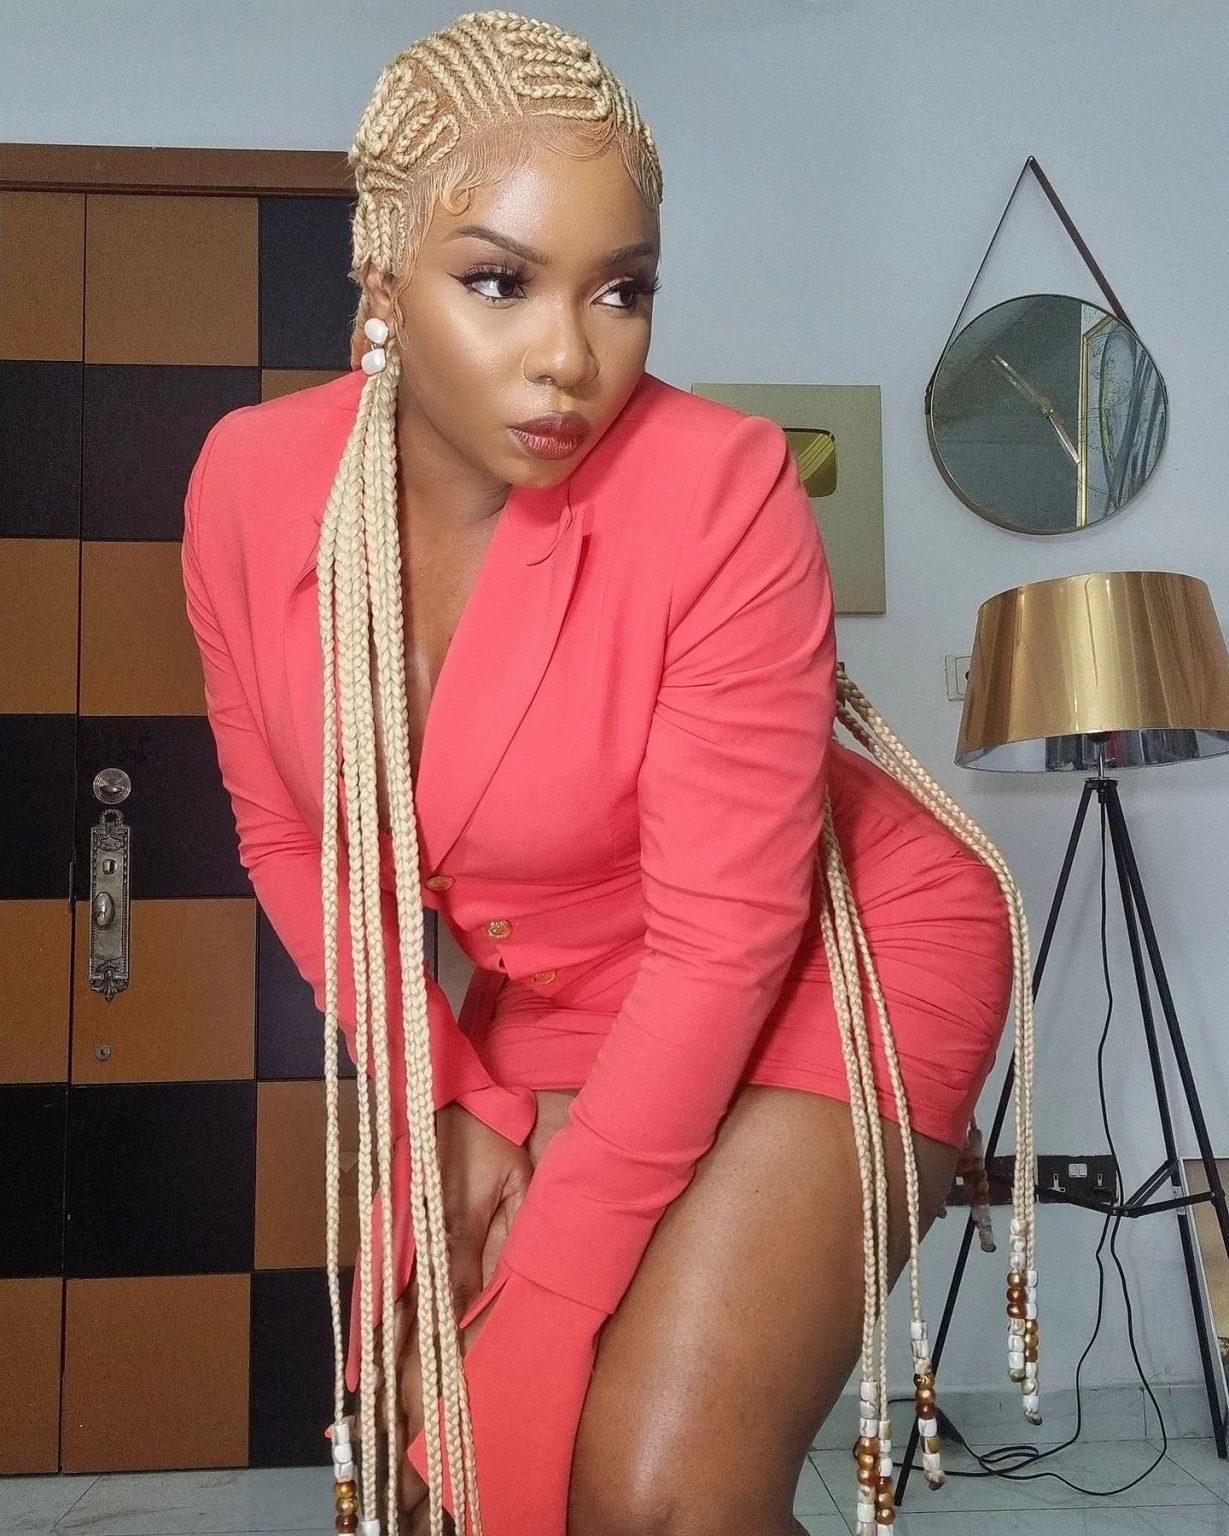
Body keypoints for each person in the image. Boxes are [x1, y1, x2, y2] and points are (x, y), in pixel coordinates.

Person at [179, 11, 1039, 1536]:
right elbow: (287, 838)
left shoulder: (720, 487)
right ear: (379, 272)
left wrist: (553, 1297)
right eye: (496, 281)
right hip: (562, 985)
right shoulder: (249, 487)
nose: (569, 358)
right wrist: (446, 1098)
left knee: (646, 1483)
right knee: (425, 1462)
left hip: (828, 951)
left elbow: (725, 937)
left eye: (621, 289)